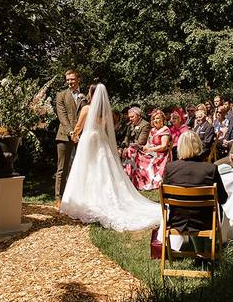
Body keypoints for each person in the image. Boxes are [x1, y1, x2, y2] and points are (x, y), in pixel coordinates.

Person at [60, 84, 160, 231]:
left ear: (91, 93)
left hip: (89, 139)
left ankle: (85, 201)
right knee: (103, 168)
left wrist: (74, 135)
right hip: (101, 139)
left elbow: (79, 126)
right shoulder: (105, 112)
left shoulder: (87, 109)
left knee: (86, 168)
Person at [161, 130, 228, 237]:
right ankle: (209, 247)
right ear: (199, 146)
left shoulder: (170, 168)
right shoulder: (211, 169)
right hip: (205, 222)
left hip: (177, 221)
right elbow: (223, 198)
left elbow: (165, 197)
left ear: (179, 147)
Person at [54, 70, 84, 201]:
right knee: (62, 168)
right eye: (67, 80)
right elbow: (62, 116)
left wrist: (80, 132)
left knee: (81, 167)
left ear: (78, 79)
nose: (69, 82)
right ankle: (58, 198)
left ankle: (76, 197)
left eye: (72, 79)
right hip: (64, 136)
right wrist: (72, 132)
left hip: (82, 136)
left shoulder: (85, 96)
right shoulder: (61, 95)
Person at [125, 109, 171, 190]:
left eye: (158, 118)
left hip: (160, 155)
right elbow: (148, 143)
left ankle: (144, 182)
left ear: (163, 119)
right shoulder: (153, 130)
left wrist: (150, 150)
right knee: (131, 150)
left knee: (142, 161)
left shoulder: (165, 129)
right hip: (151, 152)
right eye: (154, 119)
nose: (155, 120)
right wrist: (145, 148)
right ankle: (130, 177)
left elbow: (164, 146)